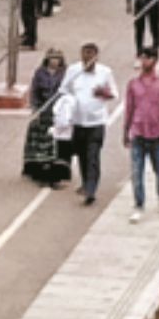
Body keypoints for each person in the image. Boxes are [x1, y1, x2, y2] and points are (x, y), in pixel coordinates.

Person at [123, 48, 159, 223]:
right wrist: (125, 131)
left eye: (147, 58)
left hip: (156, 133)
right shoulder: (133, 84)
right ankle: (139, 205)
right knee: (136, 171)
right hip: (138, 133)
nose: (144, 62)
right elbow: (129, 109)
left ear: (154, 60)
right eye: (142, 58)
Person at [62, 42, 118, 205]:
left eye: (91, 54)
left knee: (93, 155)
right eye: (85, 54)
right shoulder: (73, 71)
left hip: (96, 121)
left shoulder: (105, 72)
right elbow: (63, 89)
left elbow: (114, 93)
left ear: (96, 56)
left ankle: (91, 189)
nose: (88, 58)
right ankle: (86, 182)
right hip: (78, 121)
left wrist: (104, 93)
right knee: (81, 155)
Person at [23, 50, 71, 185]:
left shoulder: (65, 73)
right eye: (52, 58)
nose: (54, 61)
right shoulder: (40, 73)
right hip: (43, 110)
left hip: (59, 111)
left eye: (57, 58)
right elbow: (34, 91)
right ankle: (36, 168)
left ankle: (58, 171)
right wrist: (35, 108)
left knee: (57, 143)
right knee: (39, 140)